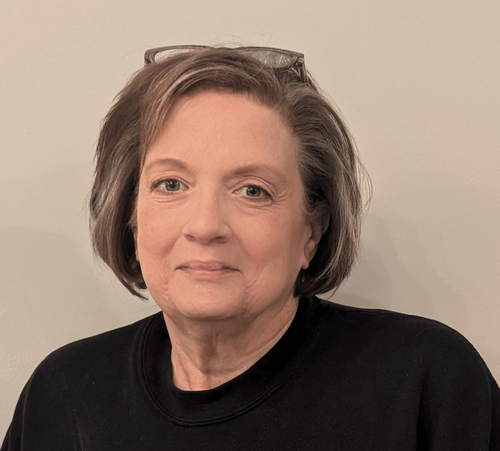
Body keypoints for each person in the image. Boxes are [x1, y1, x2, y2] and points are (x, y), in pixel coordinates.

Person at [2, 46, 499, 450]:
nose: (205, 225)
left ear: (311, 233)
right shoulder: (63, 394)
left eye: (252, 191)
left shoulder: (427, 382)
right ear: (130, 217)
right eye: (171, 184)